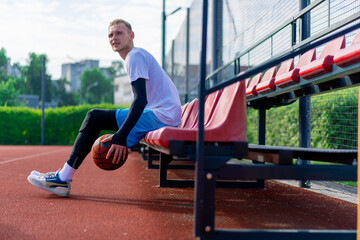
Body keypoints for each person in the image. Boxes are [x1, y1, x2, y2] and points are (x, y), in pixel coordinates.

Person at [27, 19, 182, 197]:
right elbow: (141, 102)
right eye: (110, 35)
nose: (114, 38)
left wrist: (120, 137)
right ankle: (63, 176)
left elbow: (140, 101)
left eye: (119, 33)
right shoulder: (136, 56)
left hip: (162, 117)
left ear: (131, 36)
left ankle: (63, 178)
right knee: (97, 117)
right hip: (163, 115)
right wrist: (122, 135)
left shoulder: (135, 56)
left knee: (94, 117)